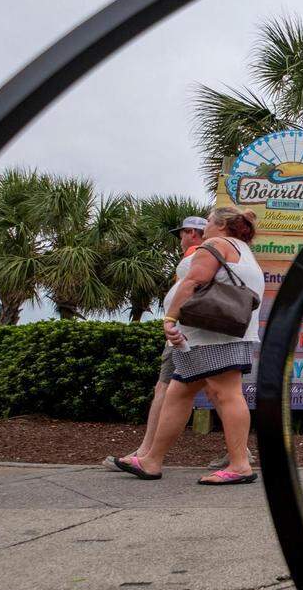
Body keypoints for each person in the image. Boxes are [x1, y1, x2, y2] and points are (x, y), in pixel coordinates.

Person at [114, 207, 265, 485]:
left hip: (212, 334)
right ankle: (151, 460)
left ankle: (239, 465)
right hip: (205, 336)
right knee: (178, 393)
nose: (205, 225)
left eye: (208, 220)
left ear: (220, 224)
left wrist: (170, 317)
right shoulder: (243, 249)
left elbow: (195, 280)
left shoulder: (216, 243)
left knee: (226, 393)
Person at [102, 216, 216, 471]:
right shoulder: (206, 256)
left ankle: (146, 453)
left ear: (191, 233)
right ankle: (238, 454)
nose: (180, 239)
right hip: (193, 333)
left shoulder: (196, 257)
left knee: (166, 388)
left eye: (182, 234)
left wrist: (171, 320)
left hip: (184, 333)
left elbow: (191, 290)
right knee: (216, 390)